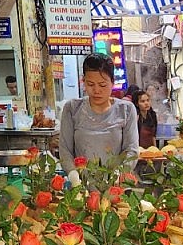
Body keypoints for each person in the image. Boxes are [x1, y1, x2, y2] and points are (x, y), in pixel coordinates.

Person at [59, 53, 138, 181]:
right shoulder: (72, 108)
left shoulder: (126, 110)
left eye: (102, 85)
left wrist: (118, 176)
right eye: (90, 84)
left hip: (117, 187)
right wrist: (73, 175)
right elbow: (65, 149)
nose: (96, 90)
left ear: (112, 82)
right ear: (83, 81)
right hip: (81, 188)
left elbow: (132, 150)